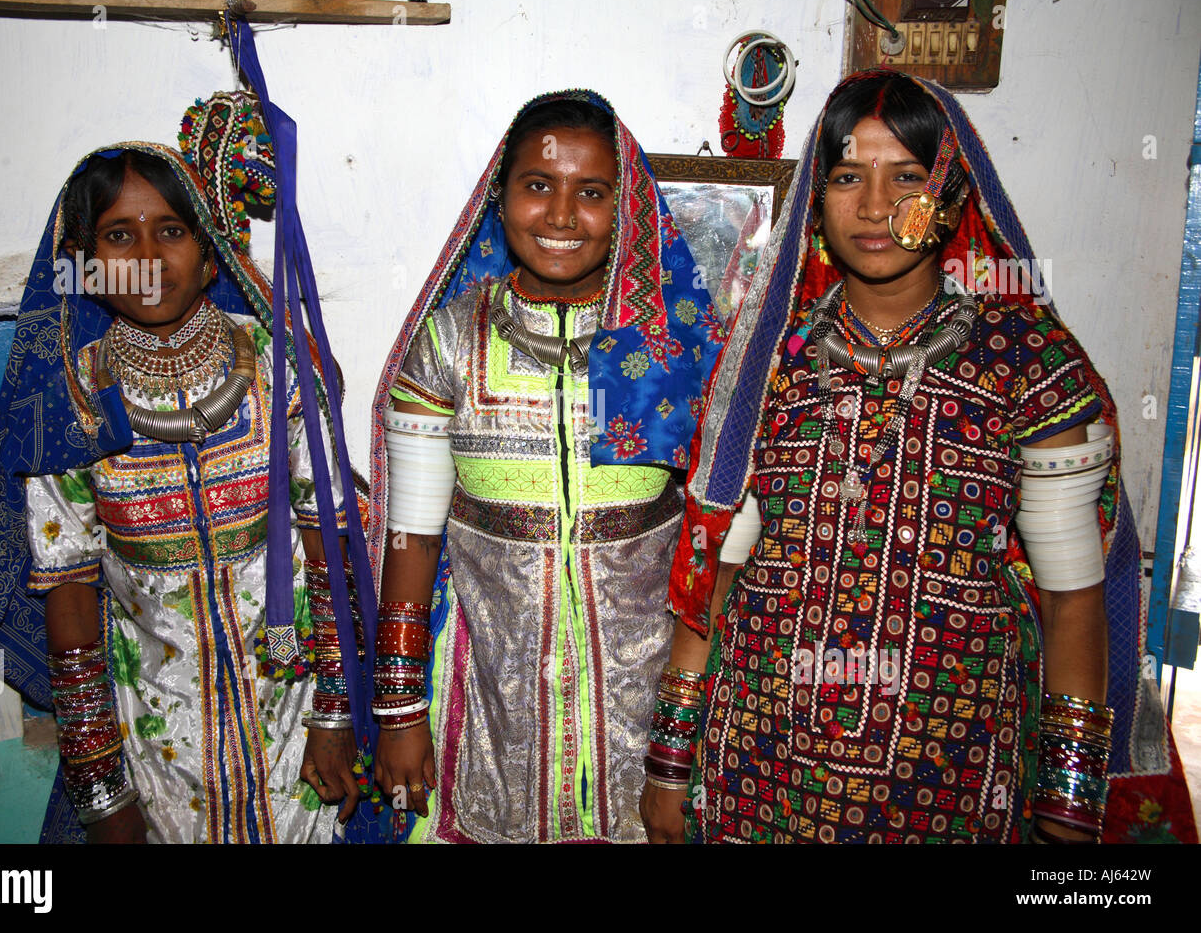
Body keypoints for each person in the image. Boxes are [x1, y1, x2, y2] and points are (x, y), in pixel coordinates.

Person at [644, 70, 1196, 843]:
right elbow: (716, 571)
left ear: (955, 197)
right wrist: (672, 757)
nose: (874, 207)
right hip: (760, 759)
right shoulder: (768, 363)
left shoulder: (1027, 364)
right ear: (815, 197)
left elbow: (1073, 598)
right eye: (847, 177)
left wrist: (1068, 808)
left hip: (949, 767)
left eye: (907, 176)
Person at [0, 143, 366, 843]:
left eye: (171, 230)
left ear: (211, 254)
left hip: (294, 722)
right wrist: (102, 792)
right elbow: (69, 599)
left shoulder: (282, 369)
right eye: (119, 235)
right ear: (83, 264)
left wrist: (336, 720)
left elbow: (330, 547)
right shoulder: (68, 403)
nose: (148, 255)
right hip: (153, 743)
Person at [368, 92, 725, 842]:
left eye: (591, 193)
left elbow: (715, 552)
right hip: (490, 712)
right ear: (499, 200)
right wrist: (400, 712)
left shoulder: (672, 347)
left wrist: (676, 748)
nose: (562, 216)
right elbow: (412, 537)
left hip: (648, 714)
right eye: (538, 185)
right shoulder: (449, 343)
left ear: (624, 208)